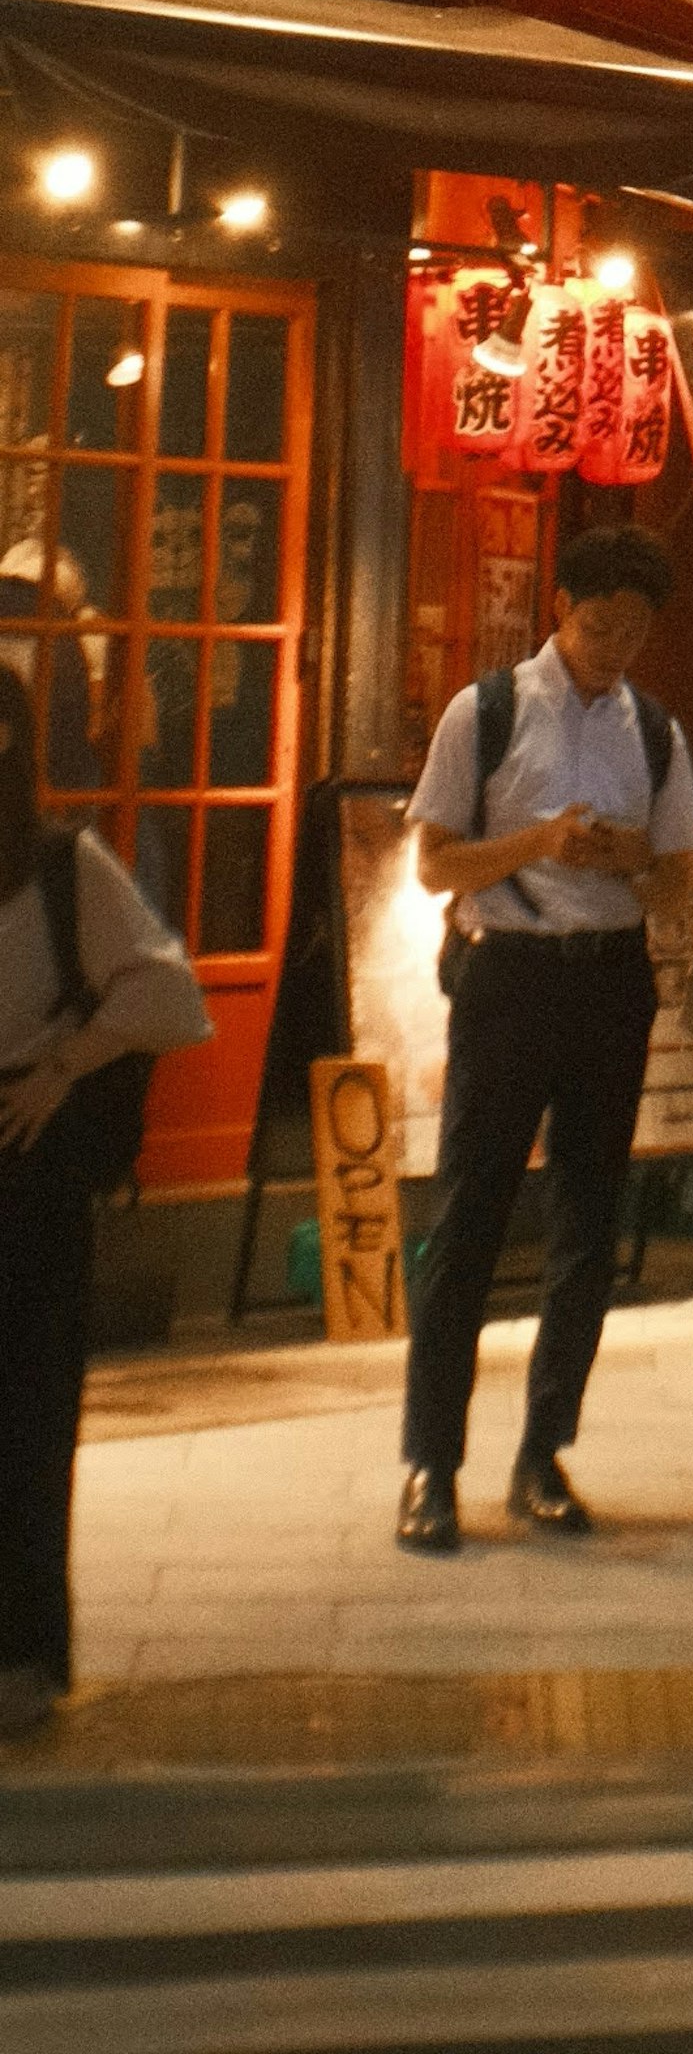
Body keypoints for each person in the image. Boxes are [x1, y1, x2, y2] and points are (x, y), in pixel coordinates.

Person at [395, 519, 693, 1552]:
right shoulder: (484, 714)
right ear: (560, 609)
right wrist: (541, 841)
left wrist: (625, 861)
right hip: (509, 978)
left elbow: (682, 878)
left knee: (587, 1225)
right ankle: (430, 1468)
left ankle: (543, 1455)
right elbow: (437, 865)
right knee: (470, 1221)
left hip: (611, 982)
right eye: (601, 625)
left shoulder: (653, 730)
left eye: (634, 633)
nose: (616, 648)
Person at [0, 658, 208, 1735]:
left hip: (21, 1166)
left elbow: (171, 995)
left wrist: (66, 1064)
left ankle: (25, 1652)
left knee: (28, 1415)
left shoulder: (58, 861)